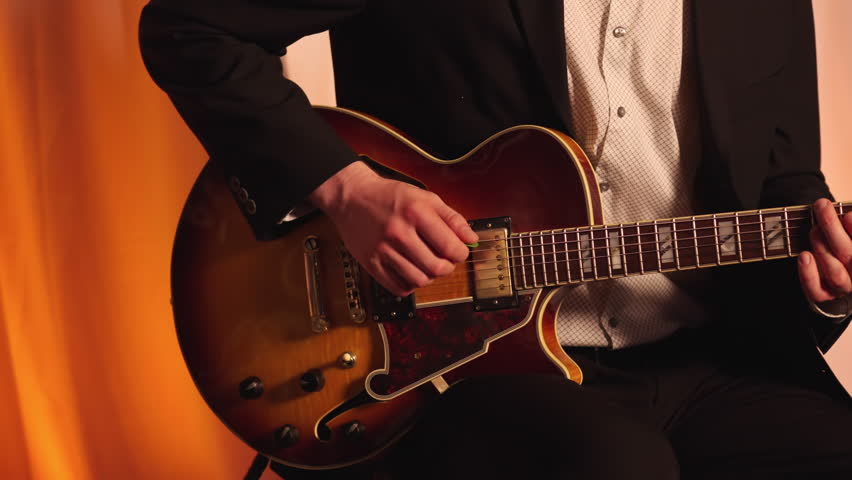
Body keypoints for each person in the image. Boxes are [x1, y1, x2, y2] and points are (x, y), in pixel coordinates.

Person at [139, 1, 852, 478]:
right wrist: (345, 189)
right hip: (443, 362)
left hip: (705, 361)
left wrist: (828, 282)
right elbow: (189, 26)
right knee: (613, 467)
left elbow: (783, 185)